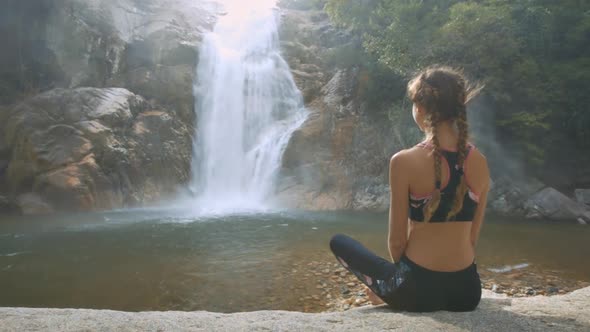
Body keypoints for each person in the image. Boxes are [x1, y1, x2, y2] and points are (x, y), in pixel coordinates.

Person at [330, 66, 489, 312]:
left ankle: (385, 291)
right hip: (467, 292)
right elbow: (472, 239)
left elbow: (396, 242)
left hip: (418, 291)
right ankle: (390, 290)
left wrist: (399, 284)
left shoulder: (403, 161)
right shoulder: (479, 161)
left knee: (338, 242)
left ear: (420, 108)